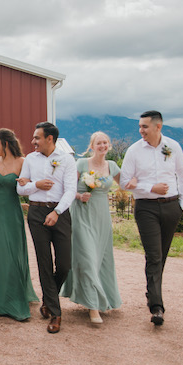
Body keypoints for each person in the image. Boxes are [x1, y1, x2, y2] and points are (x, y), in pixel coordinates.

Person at [120, 110, 183, 326]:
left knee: (162, 255)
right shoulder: (134, 151)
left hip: (171, 207)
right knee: (154, 255)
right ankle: (157, 307)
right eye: (140, 126)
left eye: (144, 127)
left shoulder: (173, 146)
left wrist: (182, 206)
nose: (141, 130)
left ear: (158, 127)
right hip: (146, 208)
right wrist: (150, 187)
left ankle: (152, 293)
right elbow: (124, 181)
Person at [17, 122, 77, 334]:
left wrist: (57, 212)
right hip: (36, 213)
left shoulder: (67, 160)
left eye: (37, 138)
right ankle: (55, 313)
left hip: (60, 213)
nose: (33, 141)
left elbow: (71, 190)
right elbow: (20, 187)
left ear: (49, 139)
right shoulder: (30, 159)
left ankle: (48, 298)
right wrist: (36, 185)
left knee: (64, 265)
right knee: (44, 262)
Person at [60, 131, 122, 324]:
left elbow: (127, 183)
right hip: (81, 214)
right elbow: (67, 186)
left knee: (100, 258)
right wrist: (79, 196)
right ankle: (93, 306)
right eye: (98, 143)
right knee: (86, 257)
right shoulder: (81, 164)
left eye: (105, 142)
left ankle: (105, 298)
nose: (102, 146)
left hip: (102, 216)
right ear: (92, 146)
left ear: (109, 145)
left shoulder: (112, 166)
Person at [0, 128, 38, 321]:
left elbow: (27, 188)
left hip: (12, 212)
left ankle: (15, 302)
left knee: (13, 254)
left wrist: (26, 182)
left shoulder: (23, 162)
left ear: (4, 143)